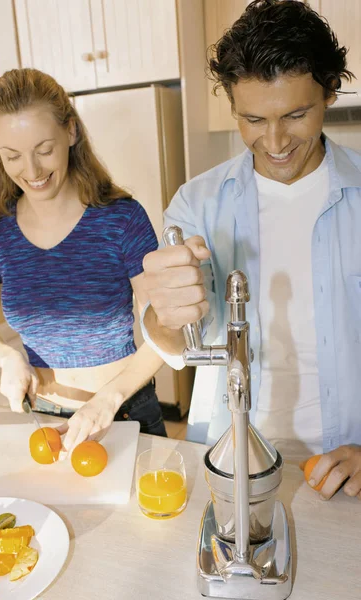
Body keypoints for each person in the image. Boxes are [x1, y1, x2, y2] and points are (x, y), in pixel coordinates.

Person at [141, 0, 361, 500]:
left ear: (329, 91)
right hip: (229, 457)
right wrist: (166, 316)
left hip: (346, 467)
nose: (276, 140)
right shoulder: (195, 204)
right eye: (254, 119)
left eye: (296, 114)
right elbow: (174, 347)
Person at [0, 68, 167, 455]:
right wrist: (8, 358)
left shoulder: (121, 219)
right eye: (13, 156)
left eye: (44, 149)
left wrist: (108, 399)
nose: (32, 171)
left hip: (124, 412)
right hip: (45, 417)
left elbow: (166, 334)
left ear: (71, 132)